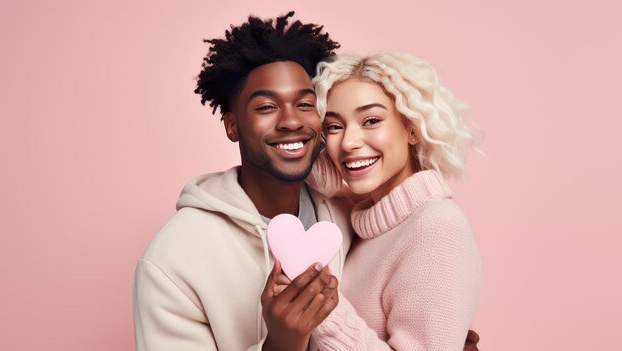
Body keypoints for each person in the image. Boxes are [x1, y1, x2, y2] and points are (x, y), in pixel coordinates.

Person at [132, 12, 481, 351]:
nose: (291, 122)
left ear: (411, 128)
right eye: (267, 107)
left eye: (304, 105)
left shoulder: (349, 214)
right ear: (232, 125)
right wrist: (279, 346)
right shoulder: (173, 259)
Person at [291, 53, 482, 350]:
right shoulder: (363, 225)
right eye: (334, 127)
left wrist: (326, 311)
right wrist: (319, 171)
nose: (349, 142)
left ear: (412, 129)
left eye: (371, 121)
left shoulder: (437, 226)